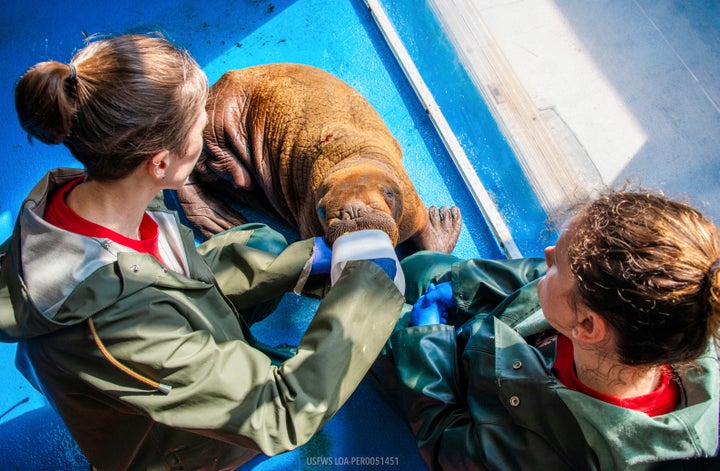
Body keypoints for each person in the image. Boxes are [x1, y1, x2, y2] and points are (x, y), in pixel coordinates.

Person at [0, 33, 405, 470]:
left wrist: (301, 263)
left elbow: (162, 275)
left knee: (262, 244)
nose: (206, 124)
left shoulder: (93, 196)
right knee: (299, 391)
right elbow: (277, 412)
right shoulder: (118, 328)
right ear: (161, 162)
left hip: (144, 337)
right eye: (199, 122)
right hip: (175, 445)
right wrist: (371, 287)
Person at [374, 190, 720, 469]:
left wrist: (427, 340)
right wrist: (463, 286)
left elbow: (445, 439)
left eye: (560, 262)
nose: (548, 252)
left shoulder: (548, 455)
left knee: (375, 316)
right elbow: (535, 277)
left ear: (586, 325)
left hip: (466, 401)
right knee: (421, 267)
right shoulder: (681, 311)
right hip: (492, 346)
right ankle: (434, 270)